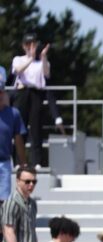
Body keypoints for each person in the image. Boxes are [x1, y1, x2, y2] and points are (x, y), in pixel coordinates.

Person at [11, 33, 48, 168]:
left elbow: (46, 73)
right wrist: (30, 58)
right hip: (22, 92)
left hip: (36, 93)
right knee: (20, 128)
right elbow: (17, 70)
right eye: (27, 44)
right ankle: (18, 161)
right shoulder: (18, 59)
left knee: (36, 127)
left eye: (33, 44)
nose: (30, 47)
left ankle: (37, 161)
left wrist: (42, 57)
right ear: (23, 46)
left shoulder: (40, 62)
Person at [1, 67, 27, 186]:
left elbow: (18, 140)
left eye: (1, 91)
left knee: (4, 201)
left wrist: (23, 164)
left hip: (4, 163)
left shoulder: (13, 114)